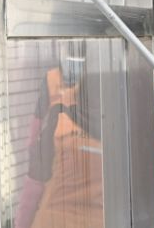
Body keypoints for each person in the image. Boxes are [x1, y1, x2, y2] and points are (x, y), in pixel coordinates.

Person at [15, 42, 103, 228]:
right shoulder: (51, 79)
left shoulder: (62, 119)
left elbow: (32, 190)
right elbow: (38, 116)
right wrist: (33, 145)